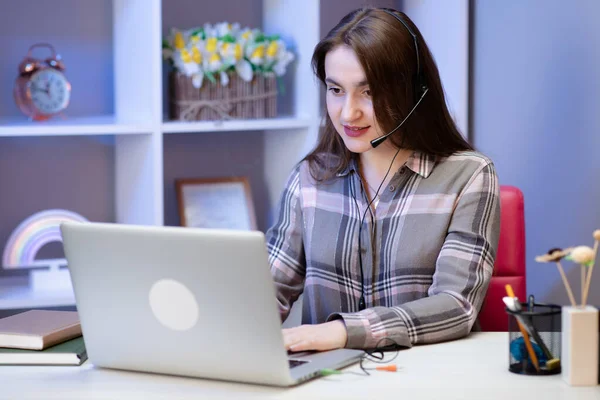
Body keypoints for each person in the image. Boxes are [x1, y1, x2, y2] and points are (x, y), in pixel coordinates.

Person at [265, 7, 501, 352]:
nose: (348, 113)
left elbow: (457, 306)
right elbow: (270, 286)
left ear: (415, 92)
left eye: (369, 92)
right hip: (327, 382)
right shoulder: (310, 177)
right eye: (335, 90)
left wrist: (344, 332)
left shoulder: (468, 176)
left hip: (427, 379)